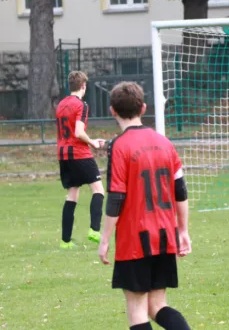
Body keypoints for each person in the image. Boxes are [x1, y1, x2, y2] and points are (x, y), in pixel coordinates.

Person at [98, 82, 192, 330]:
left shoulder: (119, 146)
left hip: (134, 238)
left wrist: (105, 239)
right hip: (164, 235)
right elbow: (180, 192)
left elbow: (116, 197)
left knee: (138, 309)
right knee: (157, 306)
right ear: (144, 108)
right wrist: (182, 230)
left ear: (112, 111)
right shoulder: (164, 142)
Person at [55, 71, 106, 249]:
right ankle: (94, 230)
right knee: (98, 190)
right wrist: (93, 142)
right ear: (83, 86)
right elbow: (78, 132)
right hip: (79, 153)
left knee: (72, 195)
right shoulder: (81, 105)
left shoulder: (61, 104)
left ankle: (65, 241)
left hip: (63, 154)